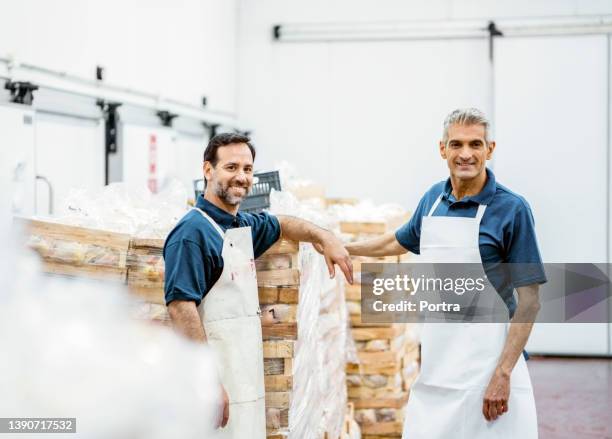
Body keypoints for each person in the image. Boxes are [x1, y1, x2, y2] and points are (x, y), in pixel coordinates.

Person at [346, 108, 545, 438]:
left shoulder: (512, 209)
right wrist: (343, 247)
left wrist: (503, 374)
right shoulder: (432, 200)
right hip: (440, 368)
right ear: (443, 149)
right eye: (456, 144)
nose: (465, 154)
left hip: (489, 369)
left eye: (475, 144)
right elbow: (400, 241)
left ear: (489, 149)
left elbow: (530, 302)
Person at [163, 133, 353, 438]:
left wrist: (324, 237)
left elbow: (283, 224)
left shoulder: (240, 226)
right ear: (207, 170)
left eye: (248, 169)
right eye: (231, 167)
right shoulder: (192, 233)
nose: (241, 177)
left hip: (241, 381)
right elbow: (180, 308)